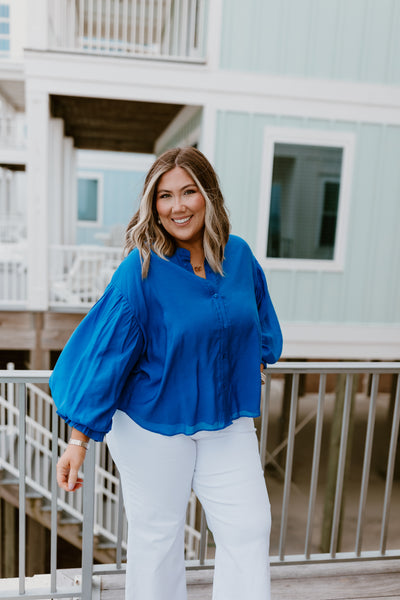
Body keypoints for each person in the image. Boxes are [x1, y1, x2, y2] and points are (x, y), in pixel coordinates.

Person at [50, 147, 282, 600]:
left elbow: (259, 319)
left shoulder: (238, 256)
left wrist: (254, 359)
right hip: (150, 423)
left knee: (250, 527)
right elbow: (104, 356)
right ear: (152, 205)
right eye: (165, 196)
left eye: (189, 192)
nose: (177, 206)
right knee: (159, 538)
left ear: (208, 195)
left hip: (226, 417)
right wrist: (78, 441)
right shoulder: (139, 271)